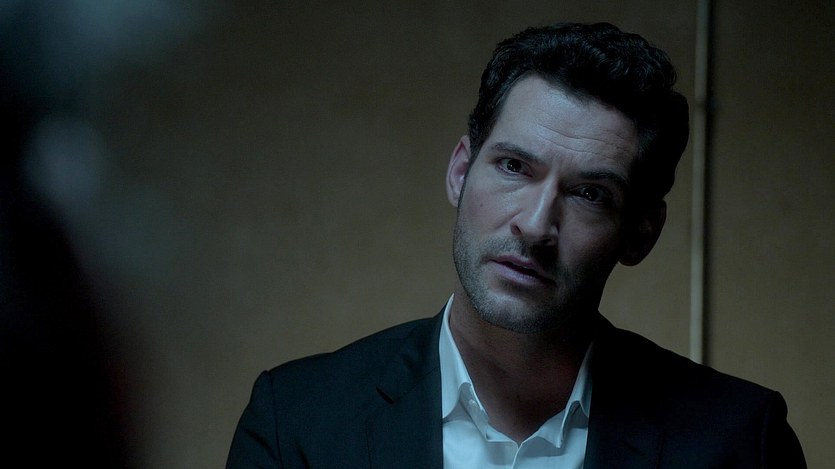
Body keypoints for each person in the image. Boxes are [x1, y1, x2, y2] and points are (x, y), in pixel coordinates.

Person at [226, 22, 805, 468]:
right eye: (513, 167)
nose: (535, 224)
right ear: (460, 172)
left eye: (589, 194)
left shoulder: (740, 442)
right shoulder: (296, 421)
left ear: (640, 233)